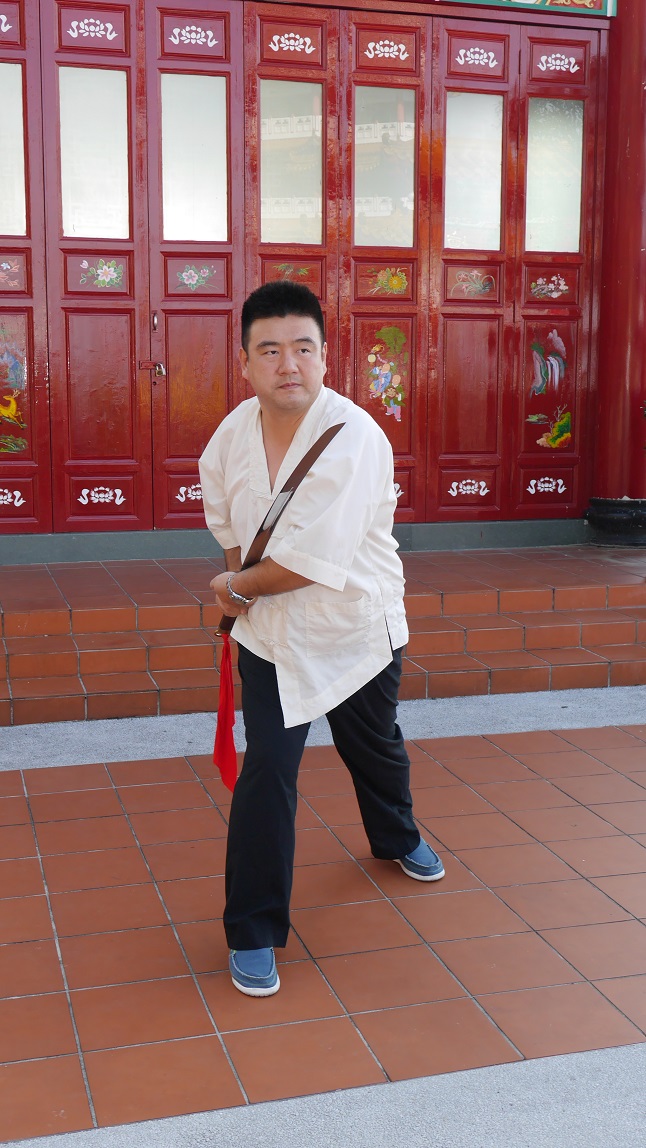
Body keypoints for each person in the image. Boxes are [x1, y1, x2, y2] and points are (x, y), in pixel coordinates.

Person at [199, 281, 444, 998]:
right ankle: (252, 929)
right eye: (270, 350)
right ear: (245, 361)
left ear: (326, 356)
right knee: (268, 771)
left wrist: (234, 589)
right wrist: (239, 590)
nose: (289, 365)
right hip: (273, 638)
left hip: (355, 628)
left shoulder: (354, 437)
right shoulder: (231, 436)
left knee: (374, 745)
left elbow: (309, 562)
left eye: (303, 348)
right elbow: (230, 530)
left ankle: (396, 835)